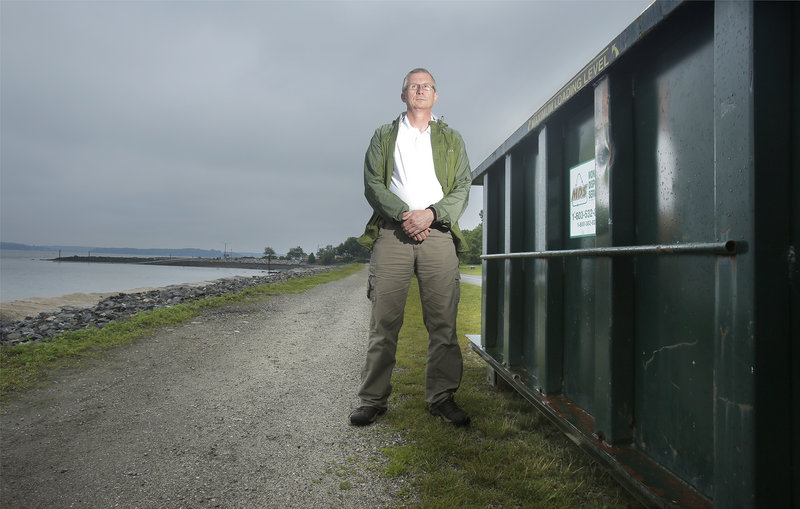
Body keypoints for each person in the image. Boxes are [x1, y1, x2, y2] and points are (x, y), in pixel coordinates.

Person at [350, 68, 472, 427]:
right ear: (403, 95)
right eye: (413, 86)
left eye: (427, 86)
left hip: (438, 236)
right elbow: (372, 184)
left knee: (443, 324)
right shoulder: (384, 136)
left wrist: (431, 215)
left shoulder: (452, 138)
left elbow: (463, 186)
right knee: (383, 322)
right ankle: (372, 400)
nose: (420, 90)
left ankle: (442, 397)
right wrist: (405, 215)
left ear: (436, 96)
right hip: (392, 234)